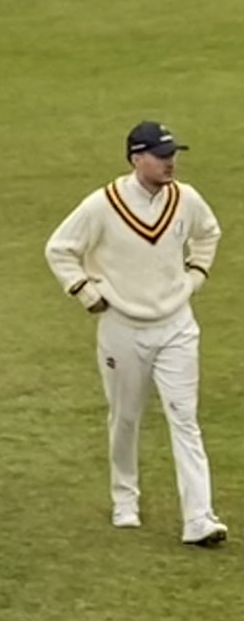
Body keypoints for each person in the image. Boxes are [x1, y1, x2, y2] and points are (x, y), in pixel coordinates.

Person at [44, 121, 226, 547]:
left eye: (172, 154)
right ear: (135, 159)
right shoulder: (101, 205)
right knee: (126, 418)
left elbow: (209, 234)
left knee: (185, 419)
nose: (169, 162)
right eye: (161, 155)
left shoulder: (186, 199)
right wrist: (86, 292)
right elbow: (59, 248)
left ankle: (199, 517)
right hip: (122, 328)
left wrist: (195, 276)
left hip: (177, 326)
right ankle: (125, 498)